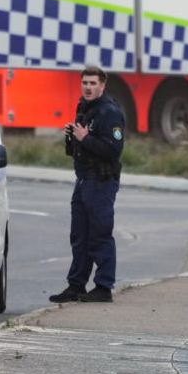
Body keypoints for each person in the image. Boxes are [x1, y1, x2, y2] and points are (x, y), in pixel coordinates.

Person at [49, 66, 125, 304]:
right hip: (83, 180)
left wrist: (86, 139)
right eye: (85, 83)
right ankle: (76, 284)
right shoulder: (84, 108)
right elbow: (77, 150)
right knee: (79, 235)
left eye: (93, 83)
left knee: (100, 234)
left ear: (102, 85)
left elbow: (114, 150)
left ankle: (103, 286)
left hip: (101, 181)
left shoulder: (109, 112)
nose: (88, 87)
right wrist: (72, 138)